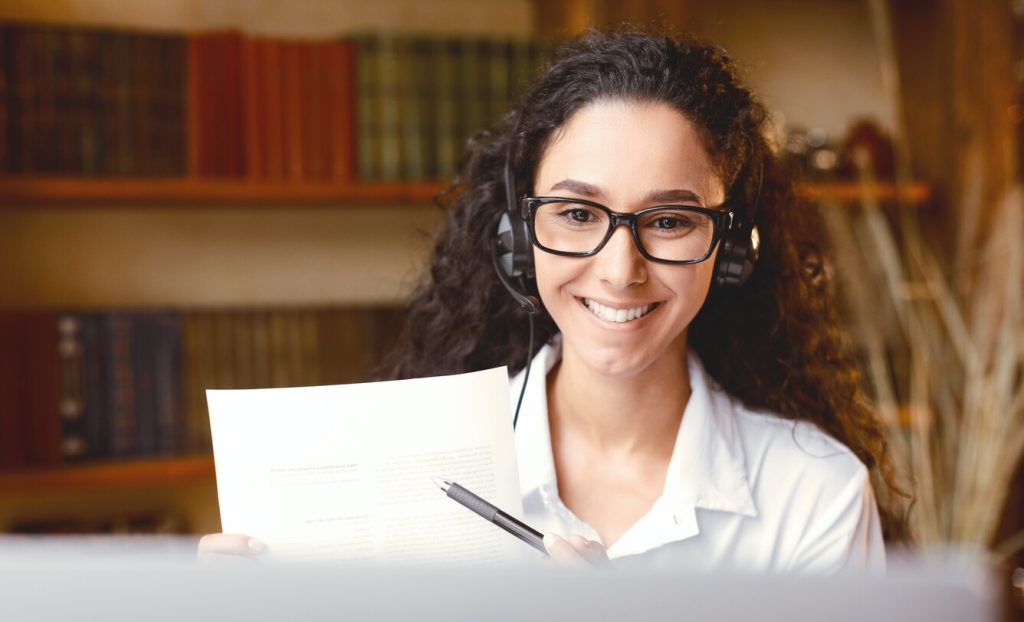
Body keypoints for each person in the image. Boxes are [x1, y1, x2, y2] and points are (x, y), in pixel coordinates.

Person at [200, 29, 911, 570]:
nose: (618, 270)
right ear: (517, 237)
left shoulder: (814, 495)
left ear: (731, 249)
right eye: (577, 215)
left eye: (668, 221)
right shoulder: (410, 477)